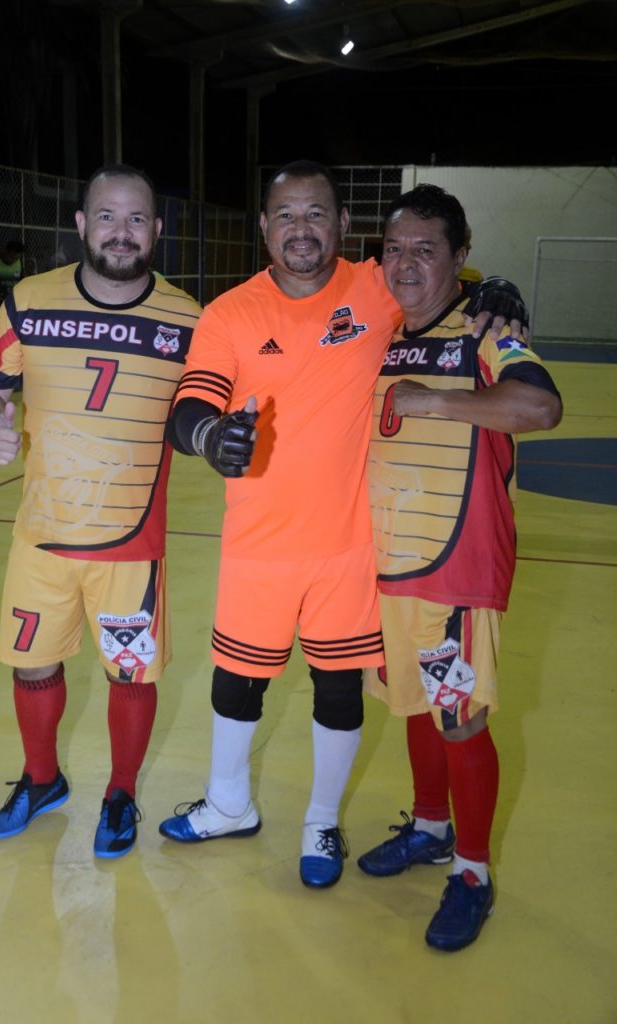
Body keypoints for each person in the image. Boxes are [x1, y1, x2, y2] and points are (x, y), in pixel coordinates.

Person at [158, 160, 528, 889]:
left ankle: (321, 822)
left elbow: (438, 278)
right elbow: (189, 408)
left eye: (316, 213)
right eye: (285, 214)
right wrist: (209, 437)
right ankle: (229, 804)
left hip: (350, 547)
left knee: (337, 689)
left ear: (342, 224)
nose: (301, 228)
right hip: (257, 545)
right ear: (264, 227)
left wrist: (495, 286)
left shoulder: (376, 288)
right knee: (236, 683)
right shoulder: (230, 312)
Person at [0, 164, 201, 859]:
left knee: (132, 673)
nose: (120, 232)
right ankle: (42, 780)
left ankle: (120, 793)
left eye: (136, 219)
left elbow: (206, 409)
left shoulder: (190, 321)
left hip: (131, 545)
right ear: (80, 224)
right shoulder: (29, 302)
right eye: (106, 216)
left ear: (157, 230)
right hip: (41, 539)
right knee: (31, 667)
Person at [358, 184, 562, 950]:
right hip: (388, 566)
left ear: (461, 256)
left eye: (426, 249)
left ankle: (473, 873)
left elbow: (540, 409)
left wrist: (435, 401)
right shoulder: (378, 330)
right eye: (395, 249)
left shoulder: (483, 330)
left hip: (457, 570)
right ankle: (431, 828)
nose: (406, 264)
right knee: (416, 705)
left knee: (461, 718)